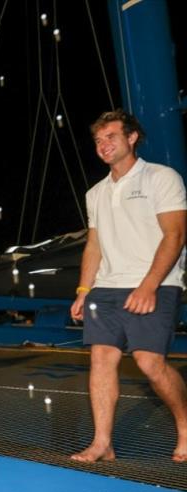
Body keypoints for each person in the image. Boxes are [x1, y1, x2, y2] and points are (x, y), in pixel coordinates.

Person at [70, 109, 187, 463]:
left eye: (111, 137)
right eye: (98, 140)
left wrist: (149, 285)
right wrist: (83, 290)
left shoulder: (161, 178)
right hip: (106, 287)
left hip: (156, 282)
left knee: (150, 363)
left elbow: (175, 234)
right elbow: (94, 245)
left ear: (132, 137)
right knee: (101, 360)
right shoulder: (96, 193)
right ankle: (102, 443)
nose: (103, 145)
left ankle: (185, 426)